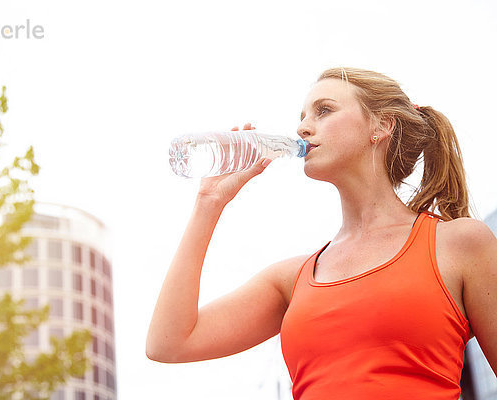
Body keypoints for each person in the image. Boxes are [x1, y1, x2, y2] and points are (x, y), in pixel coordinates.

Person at [146, 67, 497, 399]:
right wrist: (209, 203)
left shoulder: (459, 244)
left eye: (323, 111)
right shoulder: (292, 279)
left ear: (381, 126)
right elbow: (169, 342)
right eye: (301, 117)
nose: (302, 128)